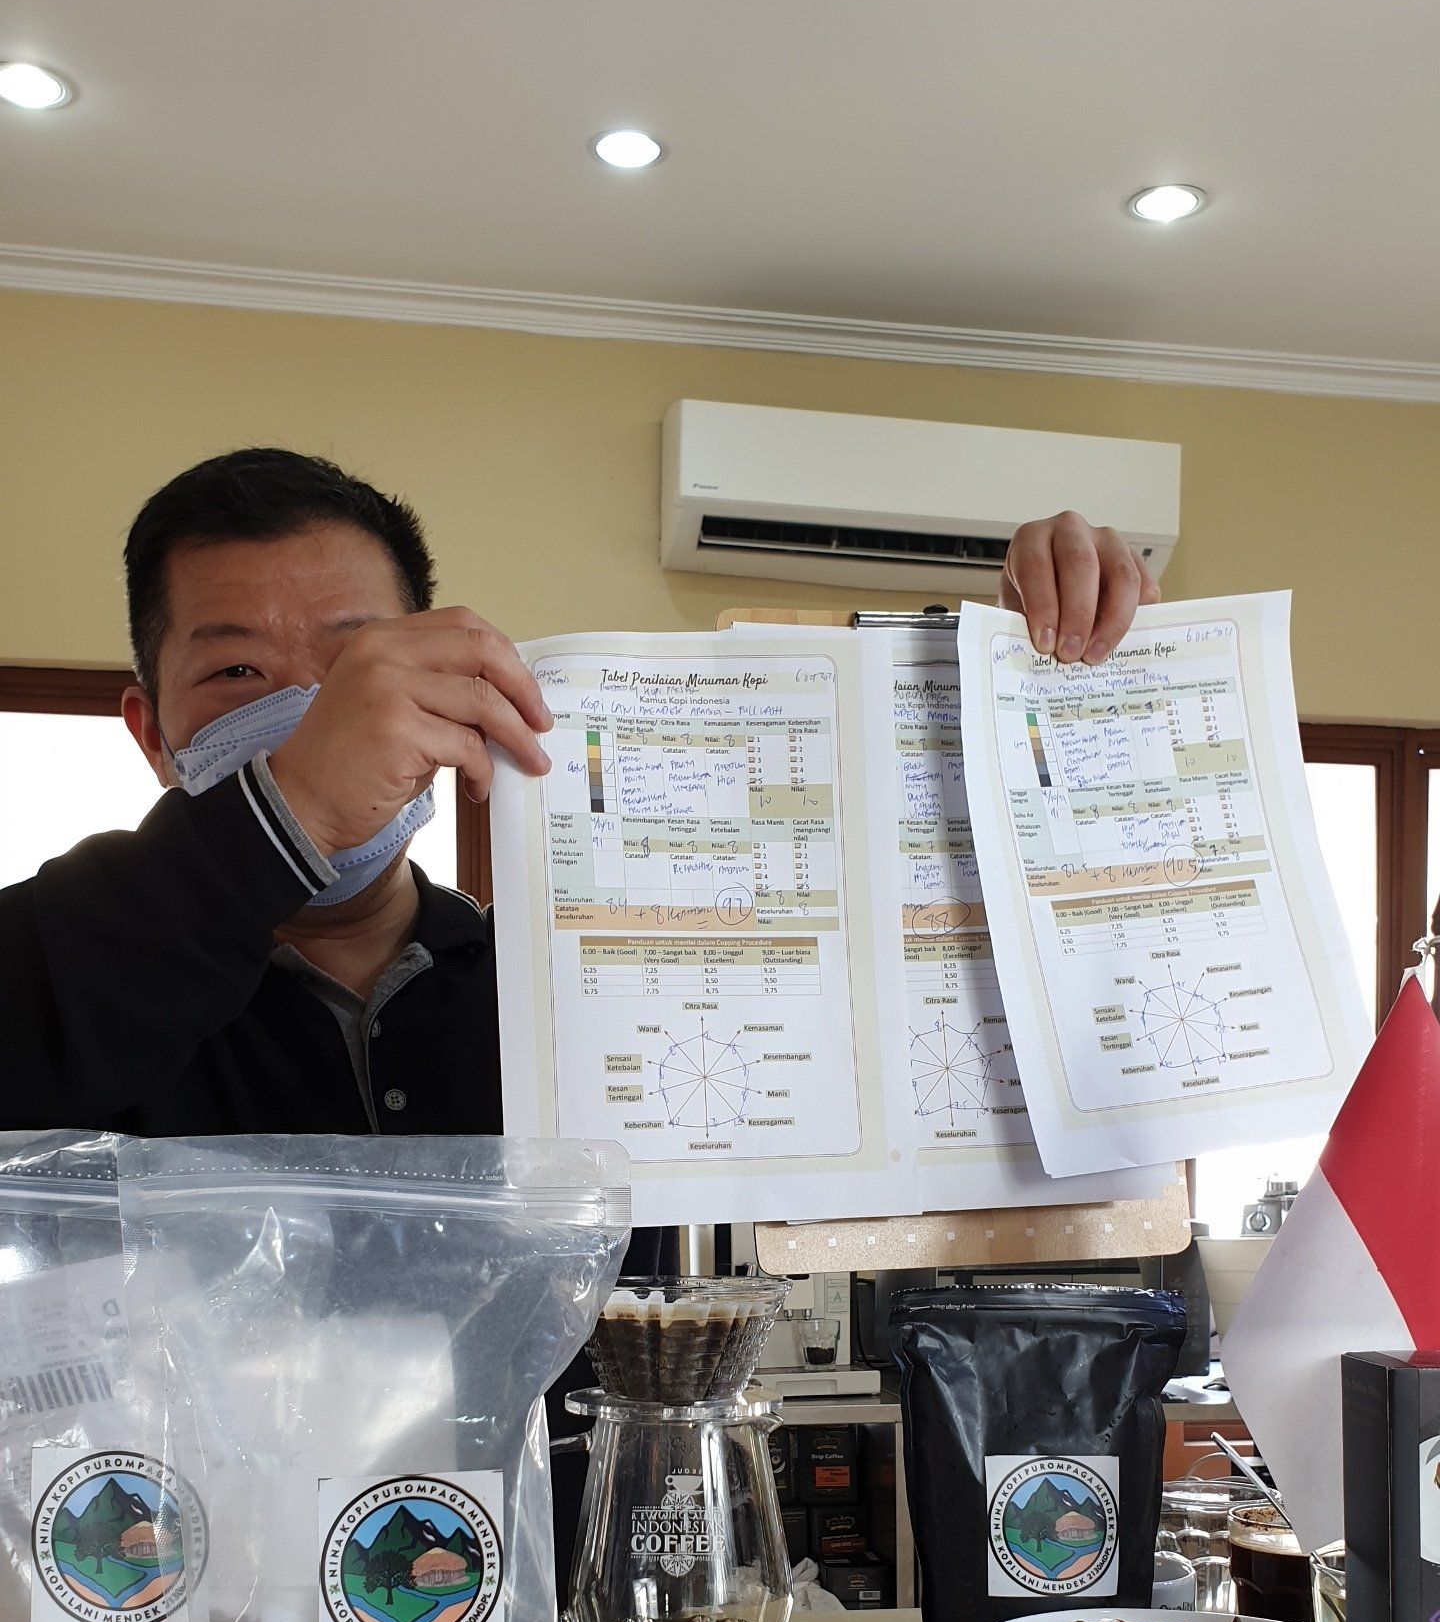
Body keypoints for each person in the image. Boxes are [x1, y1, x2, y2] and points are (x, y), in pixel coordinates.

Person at [0, 445, 1158, 1137]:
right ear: (150, 730)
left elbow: (903, 1040)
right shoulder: (71, 972)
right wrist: (288, 810)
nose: (324, 713)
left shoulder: (575, 978)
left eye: (358, 665)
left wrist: (1024, 703)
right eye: (236, 673)